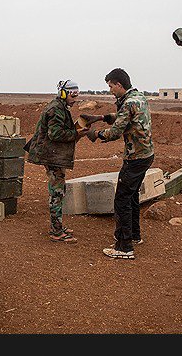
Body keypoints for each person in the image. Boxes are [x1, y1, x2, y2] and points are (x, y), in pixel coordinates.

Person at [84, 68, 154, 260]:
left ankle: (124, 247)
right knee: (131, 197)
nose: (109, 90)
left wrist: (96, 134)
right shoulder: (138, 97)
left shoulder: (128, 103)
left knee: (122, 199)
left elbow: (114, 132)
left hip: (135, 158)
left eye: (110, 86)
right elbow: (126, 117)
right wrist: (102, 118)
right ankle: (135, 235)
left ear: (119, 85)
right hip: (146, 155)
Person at [26, 79, 88, 243]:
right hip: (51, 155)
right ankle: (56, 231)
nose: (75, 98)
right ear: (63, 93)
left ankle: (57, 226)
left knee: (59, 190)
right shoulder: (56, 109)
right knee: (57, 192)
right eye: (72, 94)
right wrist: (76, 134)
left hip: (53, 154)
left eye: (77, 94)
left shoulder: (60, 107)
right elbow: (55, 134)